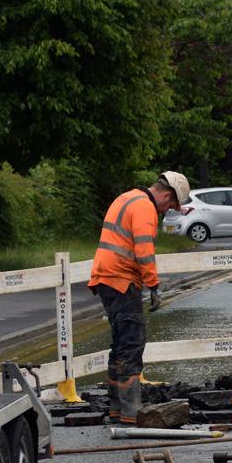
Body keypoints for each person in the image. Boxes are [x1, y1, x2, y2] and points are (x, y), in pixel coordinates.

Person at [89, 171, 190, 425]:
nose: (167, 211)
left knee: (121, 343)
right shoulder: (145, 208)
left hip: (106, 278)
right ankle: (131, 410)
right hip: (121, 279)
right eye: (170, 206)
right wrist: (154, 285)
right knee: (132, 343)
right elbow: (144, 250)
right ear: (166, 195)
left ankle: (116, 407)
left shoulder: (128, 197)